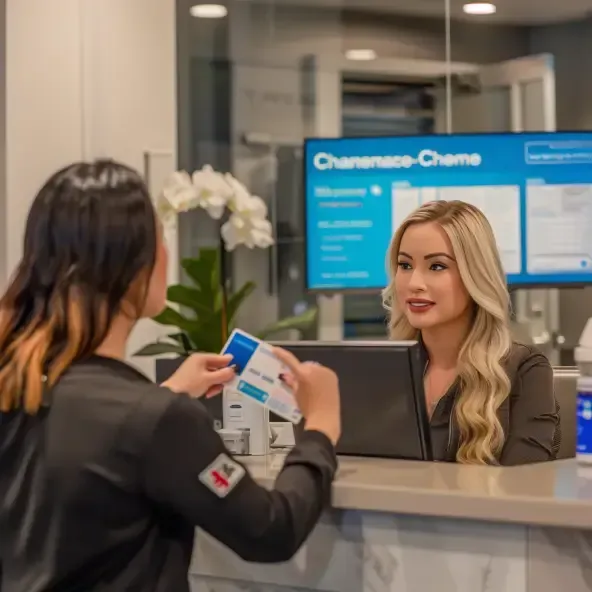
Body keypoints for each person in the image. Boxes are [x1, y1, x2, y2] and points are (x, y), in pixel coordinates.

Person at [0, 160, 341, 592]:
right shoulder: (157, 421)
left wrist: (168, 393)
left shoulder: (19, 385)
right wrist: (320, 431)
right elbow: (271, 529)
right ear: (142, 262)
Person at [382, 200, 560, 466]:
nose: (414, 283)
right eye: (405, 265)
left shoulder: (524, 370)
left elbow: (527, 489)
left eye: (437, 266)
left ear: (474, 274)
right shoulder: (386, 370)